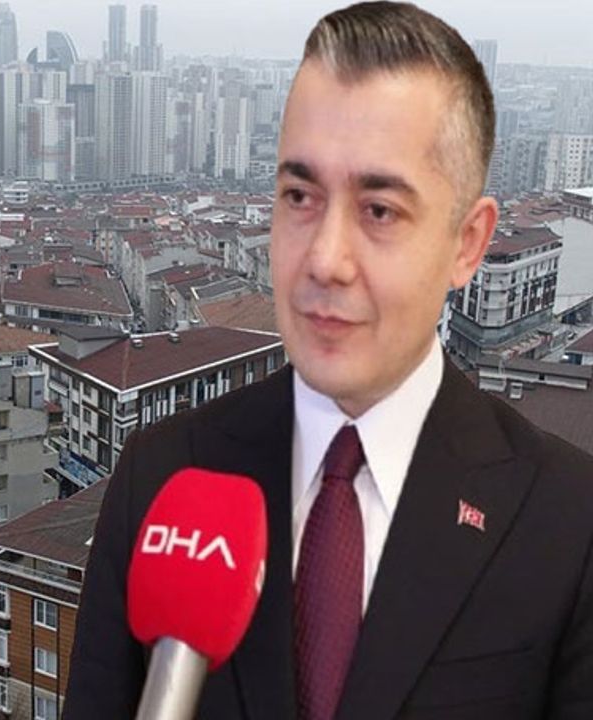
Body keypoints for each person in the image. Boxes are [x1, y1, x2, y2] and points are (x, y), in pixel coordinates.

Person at [64, 3, 593, 719]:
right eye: (300, 196)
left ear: (467, 243)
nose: (324, 259)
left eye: (379, 210)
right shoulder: (165, 476)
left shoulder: (565, 520)